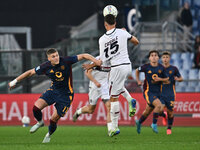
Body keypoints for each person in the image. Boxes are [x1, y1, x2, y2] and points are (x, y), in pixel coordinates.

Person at [8, 48, 101, 143]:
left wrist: (96, 61)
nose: (56, 58)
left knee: (53, 119)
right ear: (49, 59)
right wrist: (15, 81)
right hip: (53, 91)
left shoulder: (66, 61)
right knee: (36, 108)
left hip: (66, 95)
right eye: (53, 56)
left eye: (57, 55)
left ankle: (49, 134)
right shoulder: (45, 66)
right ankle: (40, 122)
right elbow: (30, 72)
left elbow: (84, 55)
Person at [73, 56, 136, 135]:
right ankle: (78, 112)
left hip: (105, 87)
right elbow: (87, 73)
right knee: (90, 109)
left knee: (109, 106)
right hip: (95, 86)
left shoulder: (113, 61)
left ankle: (110, 130)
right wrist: (95, 82)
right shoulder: (97, 60)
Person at [135, 50, 169, 134]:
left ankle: (139, 122)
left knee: (148, 111)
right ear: (149, 58)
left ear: (158, 58)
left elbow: (167, 79)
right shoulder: (146, 67)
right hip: (148, 92)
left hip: (158, 93)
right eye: (152, 55)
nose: (154, 57)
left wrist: (160, 79)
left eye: (155, 55)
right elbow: (136, 70)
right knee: (158, 105)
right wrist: (138, 80)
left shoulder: (161, 68)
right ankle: (154, 124)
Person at [160, 51, 183, 135]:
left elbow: (181, 78)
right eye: (164, 57)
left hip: (170, 94)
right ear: (161, 59)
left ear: (169, 58)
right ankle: (163, 115)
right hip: (161, 94)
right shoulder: (159, 69)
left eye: (167, 57)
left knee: (171, 112)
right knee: (159, 109)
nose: (165, 59)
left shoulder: (174, 69)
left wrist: (178, 79)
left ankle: (169, 128)